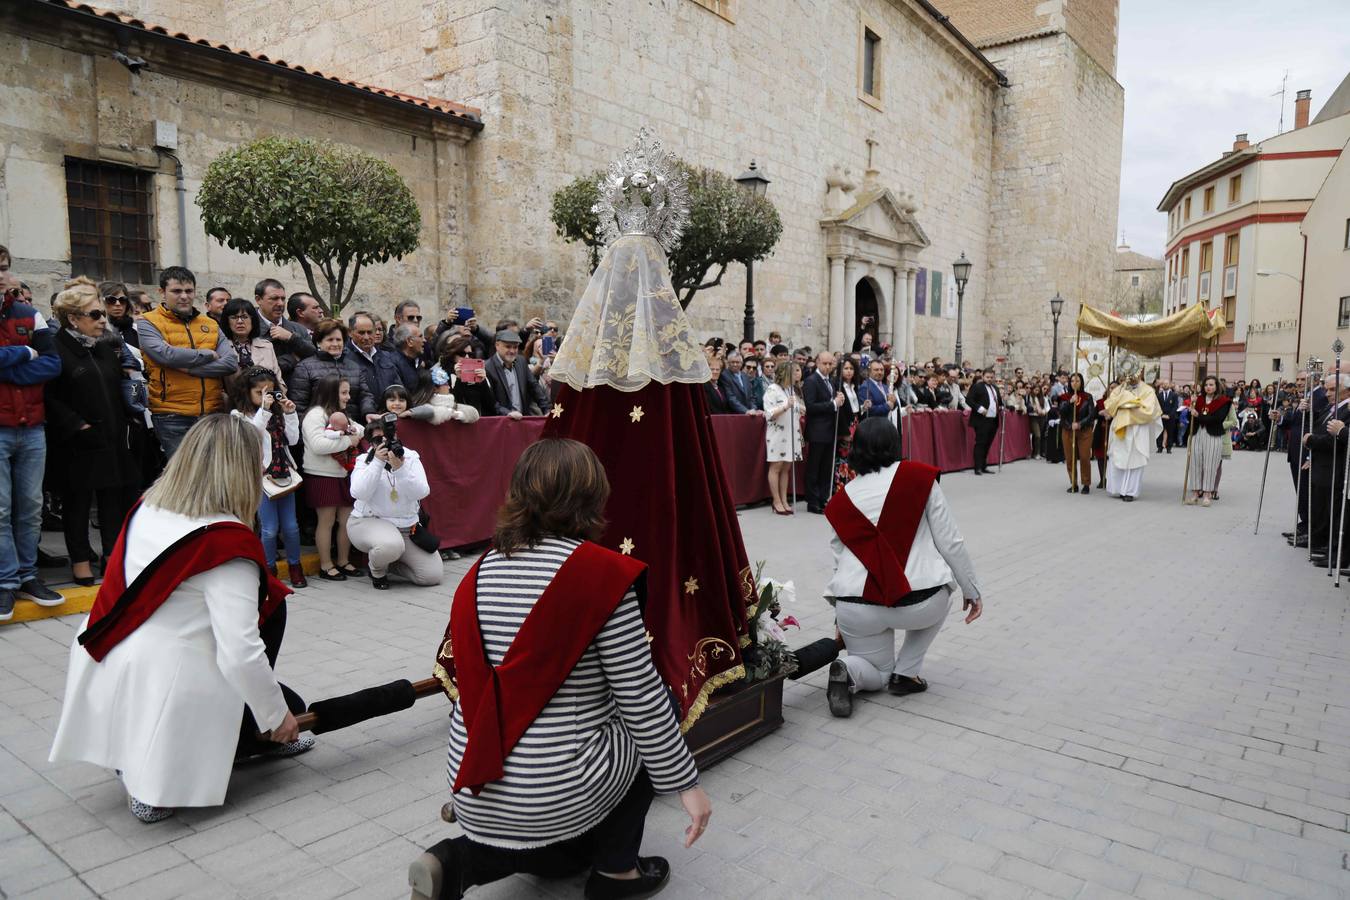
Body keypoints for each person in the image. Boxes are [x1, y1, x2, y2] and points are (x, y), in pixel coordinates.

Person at [414, 439, 710, 900]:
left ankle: (456, 862)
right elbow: (640, 696)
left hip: (471, 775)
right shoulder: (600, 576)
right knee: (663, 703)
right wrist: (686, 785)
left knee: (539, 817)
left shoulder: (479, 570)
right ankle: (617, 873)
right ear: (592, 496)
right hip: (555, 786)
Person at [49, 415, 309, 824]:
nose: (264, 469)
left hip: (108, 645)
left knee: (283, 678)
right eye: (258, 461)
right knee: (285, 709)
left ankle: (149, 749)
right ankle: (148, 774)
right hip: (171, 668)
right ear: (239, 469)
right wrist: (277, 719)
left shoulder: (149, 504)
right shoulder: (226, 542)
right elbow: (240, 652)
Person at [822, 418, 983, 718]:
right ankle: (906, 673)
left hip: (855, 606)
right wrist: (970, 589)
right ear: (895, 444)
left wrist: (838, 616)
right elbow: (950, 542)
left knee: (876, 673)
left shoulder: (840, 500)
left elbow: (838, 562)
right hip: (918, 601)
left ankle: (847, 671)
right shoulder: (919, 478)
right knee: (944, 593)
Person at [44, 277, 140, 586]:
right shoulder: (57, 349)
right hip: (77, 442)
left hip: (111, 437)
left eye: (103, 314)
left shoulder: (103, 347)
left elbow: (116, 388)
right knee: (78, 503)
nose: (103, 320)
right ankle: (81, 560)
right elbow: (49, 396)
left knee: (112, 500)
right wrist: (77, 425)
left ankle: (112, 557)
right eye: (95, 314)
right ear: (73, 318)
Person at [0, 271, 64, 619]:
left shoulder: (28, 314)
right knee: (1, 510)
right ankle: (6, 582)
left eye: (1, 267)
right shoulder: (27, 330)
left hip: (31, 427)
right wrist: (25, 352)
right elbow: (37, 358)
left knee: (30, 508)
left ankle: (28, 575)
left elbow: (52, 364)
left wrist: (9, 362)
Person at [136, 266, 239, 459]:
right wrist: (208, 354)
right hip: (172, 414)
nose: (184, 296)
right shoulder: (148, 322)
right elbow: (165, 355)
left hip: (211, 411)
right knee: (184, 479)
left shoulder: (210, 324)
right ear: (162, 293)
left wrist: (189, 370)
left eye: (189, 291)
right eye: (176, 291)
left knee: (213, 475)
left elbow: (230, 363)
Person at [345, 414, 443, 591]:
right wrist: (377, 462)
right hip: (368, 522)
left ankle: (390, 563)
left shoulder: (410, 457)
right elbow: (358, 492)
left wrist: (400, 469)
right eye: (377, 440)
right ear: (370, 443)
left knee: (431, 575)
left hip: (406, 527)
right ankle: (377, 571)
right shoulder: (364, 461)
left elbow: (422, 492)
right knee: (390, 545)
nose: (384, 442)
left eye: (388, 438)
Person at [229, 367, 305, 587]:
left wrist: (290, 414)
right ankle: (268, 570)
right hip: (261, 478)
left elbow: (292, 440)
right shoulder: (239, 416)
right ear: (247, 392)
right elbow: (252, 436)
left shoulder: (277, 413)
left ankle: (295, 566)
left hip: (284, 474)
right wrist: (264, 409)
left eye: (270, 392)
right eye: (260, 393)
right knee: (269, 529)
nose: (267, 397)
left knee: (291, 526)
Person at [300, 374, 365, 581]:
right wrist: (349, 441)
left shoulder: (339, 413)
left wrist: (352, 433)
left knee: (346, 520)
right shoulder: (315, 415)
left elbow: (360, 429)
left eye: (348, 392)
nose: (348, 397)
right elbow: (319, 445)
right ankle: (326, 564)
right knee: (326, 521)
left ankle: (343, 561)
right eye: (344, 392)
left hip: (344, 473)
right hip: (321, 475)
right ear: (331, 392)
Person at [288, 318, 377, 421]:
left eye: (339, 340)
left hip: (352, 427)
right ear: (319, 342)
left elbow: (364, 395)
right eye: (330, 340)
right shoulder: (305, 368)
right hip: (320, 429)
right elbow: (299, 405)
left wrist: (368, 411)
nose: (335, 344)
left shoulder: (354, 366)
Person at [1306, 371, 1350, 570]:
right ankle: (1330, 547)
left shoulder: (1346, 411)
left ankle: (1337, 551)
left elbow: (1336, 440)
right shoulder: (1331, 408)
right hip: (1322, 464)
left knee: (1335, 511)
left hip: (1336, 467)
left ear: (1346, 391)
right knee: (1327, 509)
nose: (1327, 393)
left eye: (1333, 389)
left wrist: (1312, 440)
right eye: (1326, 389)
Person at [1104, 371, 1163, 502]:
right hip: (1121, 426)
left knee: (1135, 459)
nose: (1131, 378)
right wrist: (1126, 400)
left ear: (1140, 374)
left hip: (1137, 428)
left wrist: (1126, 406)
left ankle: (1129, 491)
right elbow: (1110, 404)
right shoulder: (1121, 388)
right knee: (1117, 456)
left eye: (1134, 374)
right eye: (1127, 374)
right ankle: (1117, 489)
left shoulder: (1148, 390)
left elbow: (1148, 411)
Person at [803, 351, 844, 514]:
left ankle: (823, 498)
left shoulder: (831, 381)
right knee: (814, 467)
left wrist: (838, 399)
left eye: (830, 364)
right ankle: (812, 501)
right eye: (824, 364)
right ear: (817, 363)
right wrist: (833, 404)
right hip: (818, 430)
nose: (828, 367)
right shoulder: (811, 381)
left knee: (826, 467)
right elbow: (811, 406)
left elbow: (832, 401)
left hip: (830, 430)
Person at [764, 358, 803, 515]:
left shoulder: (791, 390)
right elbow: (769, 413)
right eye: (794, 372)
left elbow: (797, 411)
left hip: (791, 432)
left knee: (786, 467)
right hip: (777, 433)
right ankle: (776, 500)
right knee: (776, 466)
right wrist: (786, 406)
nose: (796, 375)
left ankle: (784, 499)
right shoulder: (772, 390)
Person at [221, 298, 286, 390]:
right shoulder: (221, 347)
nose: (240, 321)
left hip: (268, 400)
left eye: (244, 317)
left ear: (253, 320)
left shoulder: (266, 346)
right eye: (234, 317)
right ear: (227, 322)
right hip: (234, 401)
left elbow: (278, 381)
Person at [485, 329, 549, 417]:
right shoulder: (487, 367)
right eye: (508, 346)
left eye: (515, 347)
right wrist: (508, 413)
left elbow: (534, 387)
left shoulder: (521, 361)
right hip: (500, 422)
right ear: (497, 345)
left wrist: (546, 409)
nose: (512, 351)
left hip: (522, 419)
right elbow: (489, 401)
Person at [1186, 375, 1229, 507]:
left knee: (1210, 465)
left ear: (1216, 387)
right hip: (1197, 434)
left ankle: (1207, 494)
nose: (1208, 387)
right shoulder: (1198, 399)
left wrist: (1198, 415)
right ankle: (1194, 493)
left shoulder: (1224, 401)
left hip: (1213, 435)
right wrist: (1192, 407)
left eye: (1211, 385)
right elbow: (1191, 417)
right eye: (1206, 385)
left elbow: (1217, 419)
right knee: (1195, 463)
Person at [1057, 372, 1095, 494]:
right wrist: (1070, 403)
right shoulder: (1064, 397)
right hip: (1068, 431)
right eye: (1072, 381)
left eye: (1077, 381)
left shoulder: (1087, 397)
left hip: (1084, 431)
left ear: (1081, 383)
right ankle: (1073, 483)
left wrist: (1079, 424)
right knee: (1070, 458)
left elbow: (1091, 415)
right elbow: (1061, 413)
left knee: (1084, 457)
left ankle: (1086, 483)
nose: (1075, 383)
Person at [833, 357, 863, 492]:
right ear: (840, 370)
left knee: (853, 456)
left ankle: (852, 485)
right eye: (846, 368)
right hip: (845, 426)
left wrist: (863, 408)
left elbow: (854, 408)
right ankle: (840, 486)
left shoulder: (854, 386)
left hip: (855, 422)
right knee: (842, 457)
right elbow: (841, 412)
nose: (849, 371)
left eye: (851, 368)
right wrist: (845, 432)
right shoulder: (838, 386)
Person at [375, 321, 425, 394]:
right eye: (420, 336)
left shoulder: (413, 361)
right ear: (409, 341)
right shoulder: (392, 364)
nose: (424, 340)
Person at [966, 367, 1000, 475]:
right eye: (987, 377)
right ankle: (977, 467)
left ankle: (984, 465)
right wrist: (979, 408)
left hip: (993, 419)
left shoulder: (995, 388)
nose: (989, 379)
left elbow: (997, 401)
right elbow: (969, 400)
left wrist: (1002, 406)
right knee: (980, 443)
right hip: (981, 419)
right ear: (983, 376)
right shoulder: (977, 387)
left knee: (988, 443)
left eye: (991, 377)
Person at [1156, 380, 1179, 453]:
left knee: (1170, 432)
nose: (1165, 385)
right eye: (1164, 384)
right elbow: (1157, 406)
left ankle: (1169, 448)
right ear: (1162, 385)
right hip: (1161, 416)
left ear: (1169, 385)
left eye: (1167, 384)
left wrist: (1169, 415)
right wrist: (1162, 415)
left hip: (1170, 417)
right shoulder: (1159, 395)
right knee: (1159, 432)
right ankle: (1159, 447)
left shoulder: (1174, 395)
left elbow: (1175, 406)